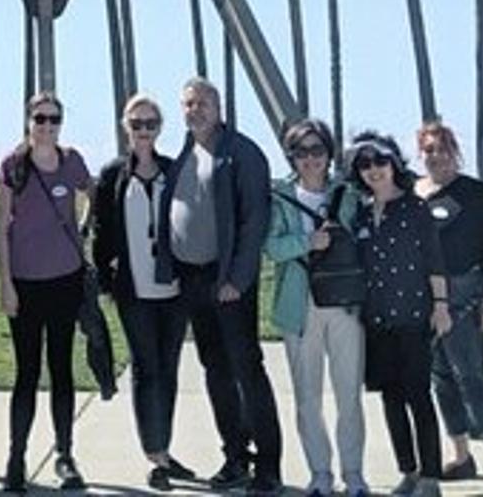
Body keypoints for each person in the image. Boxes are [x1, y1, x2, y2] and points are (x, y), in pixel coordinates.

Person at [163, 78, 282, 493]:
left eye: (203, 103)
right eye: (189, 104)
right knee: (215, 370)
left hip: (228, 280)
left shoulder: (242, 153)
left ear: (219, 106)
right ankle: (235, 457)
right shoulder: (185, 153)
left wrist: (237, 278)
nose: (195, 110)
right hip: (193, 280)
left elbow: (254, 222)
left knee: (247, 370)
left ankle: (268, 467)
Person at [90, 93, 197, 491]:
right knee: (145, 368)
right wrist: (106, 278)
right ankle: (153, 456)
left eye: (150, 124)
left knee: (167, 371)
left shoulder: (175, 170)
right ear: (125, 127)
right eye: (136, 124)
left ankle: (164, 449)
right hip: (134, 291)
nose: (143, 131)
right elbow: (102, 235)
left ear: (160, 128)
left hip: (174, 288)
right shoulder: (113, 176)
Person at [0, 91, 95, 491]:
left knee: (62, 370)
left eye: (54, 119)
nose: (47, 126)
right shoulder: (13, 166)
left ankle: (65, 454)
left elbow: (94, 193)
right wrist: (5, 283)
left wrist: (82, 230)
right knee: (26, 373)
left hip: (65, 280)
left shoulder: (72, 162)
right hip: (24, 284)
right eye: (40, 119)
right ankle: (16, 457)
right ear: (28, 121)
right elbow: (1, 227)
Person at [414, 121, 483, 496]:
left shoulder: (476, 195)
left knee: (472, 376)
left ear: (454, 151)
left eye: (441, 148)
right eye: (428, 149)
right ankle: (460, 454)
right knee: (440, 378)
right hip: (423, 299)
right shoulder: (414, 193)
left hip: (466, 295)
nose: (435, 156)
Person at [267, 117, 368, 497]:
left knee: (348, 393)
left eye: (317, 150)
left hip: (343, 304)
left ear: (329, 154)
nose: (310, 159)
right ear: (291, 157)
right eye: (301, 152)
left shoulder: (348, 195)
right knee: (307, 395)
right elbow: (272, 248)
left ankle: (354, 472)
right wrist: (308, 242)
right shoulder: (279, 197)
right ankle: (320, 472)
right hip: (299, 304)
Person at [349, 130, 449, 497]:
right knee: (390, 397)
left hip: (412, 314)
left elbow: (434, 260)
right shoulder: (359, 213)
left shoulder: (414, 208)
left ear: (394, 165)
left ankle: (430, 476)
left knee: (418, 395)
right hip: (376, 319)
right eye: (364, 164)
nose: (373, 170)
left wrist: (440, 306)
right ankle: (407, 470)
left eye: (380, 162)